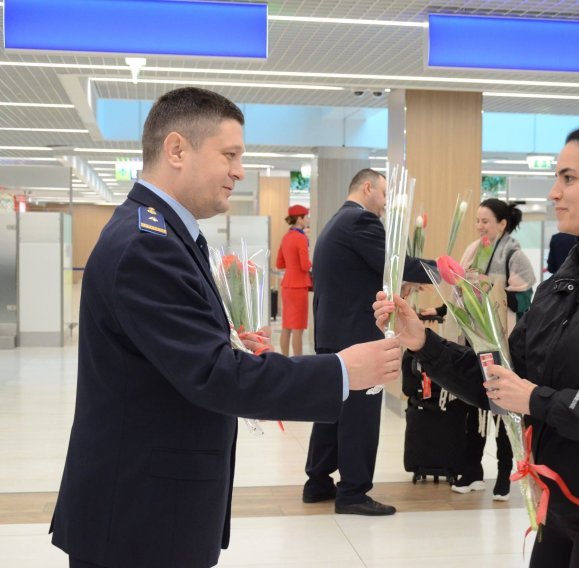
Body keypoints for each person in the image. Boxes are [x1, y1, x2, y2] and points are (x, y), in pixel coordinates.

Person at [50, 87, 402, 568]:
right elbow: (216, 376)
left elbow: (172, 355)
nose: (239, 170)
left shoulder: (163, 234)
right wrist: (341, 370)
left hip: (144, 510)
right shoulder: (147, 245)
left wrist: (227, 342)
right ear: (177, 150)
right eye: (230, 155)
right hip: (138, 521)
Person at [374, 122, 579, 567]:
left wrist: (537, 399)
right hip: (558, 504)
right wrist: (422, 342)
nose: (554, 192)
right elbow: (503, 379)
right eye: (556, 177)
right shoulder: (573, 272)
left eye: (569, 178)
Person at [304, 168, 434, 516]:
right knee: (360, 415)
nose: (387, 200)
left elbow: (371, 273)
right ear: (367, 187)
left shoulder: (336, 222)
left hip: (334, 333)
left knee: (331, 410)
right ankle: (353, 493)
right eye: (384, 192)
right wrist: (446, 272)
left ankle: (317, 482)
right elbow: (396, 264)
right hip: (357, 336)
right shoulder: (361, 222)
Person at [421, 199, 535, 499]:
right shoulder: (472, 251)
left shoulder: (514, 255)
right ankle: (471, 470)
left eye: (486, 221)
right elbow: (457, 294)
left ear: (502, 224)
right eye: (477, 221)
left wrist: (487, 295)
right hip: (472, 342)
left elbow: (525, 302)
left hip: (503, 345)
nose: (480, 226)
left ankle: (504, 473)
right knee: (469, 407)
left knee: (501, 409)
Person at [276, 204, 312, 356]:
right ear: (299, 219)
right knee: (298, 329)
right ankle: (298, 362)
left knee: (287, 326)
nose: (307, 219)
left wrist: (292, 265)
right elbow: (305, 265)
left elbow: (279, 263)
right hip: (299, 286)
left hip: (287, 286)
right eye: (306, 217)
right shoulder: (301, 238)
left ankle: (284, 359)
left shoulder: (286, 237)